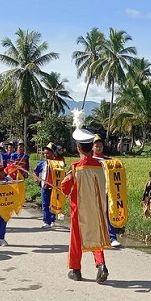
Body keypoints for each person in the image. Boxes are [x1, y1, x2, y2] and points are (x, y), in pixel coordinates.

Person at [61, 111, 111, 283]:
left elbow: (65, 189)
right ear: (91, 147)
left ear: (78, 148)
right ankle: (101, 265)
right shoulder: (100, 165)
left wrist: (65, 181)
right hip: (97, 208)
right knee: (95, 236)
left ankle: (76, 270)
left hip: (79, 209)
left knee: (76, 239)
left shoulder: (76, 168)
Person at [92, 134, 121, 247]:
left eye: (100, 146)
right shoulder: (89, 160)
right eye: (96, 146)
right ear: (92, 147)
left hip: (108, 191)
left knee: (109, 213)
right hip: (94, 191)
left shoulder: (109, 160)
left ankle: (112, 237)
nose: (99, 148)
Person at [33, 142, 59, 228]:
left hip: (54, 187)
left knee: (53, 203)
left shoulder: (57, 163)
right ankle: (46, 221)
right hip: (44, 187)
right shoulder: (42, 163)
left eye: (48, 153)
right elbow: (35, 171)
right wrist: (36, 178)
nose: (46, 155)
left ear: (53, 153)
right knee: (45, 204)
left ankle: (53, 220)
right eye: (45, 153)